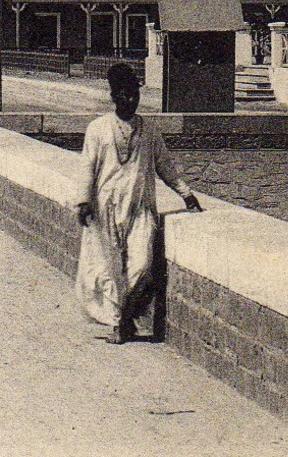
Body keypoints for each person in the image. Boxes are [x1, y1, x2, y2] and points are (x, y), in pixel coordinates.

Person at [74, 63, 202, 345]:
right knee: (107, 269)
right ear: (113, 97)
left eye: (134, 95)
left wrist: (186, 193)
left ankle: (123, 316)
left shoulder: (149, 131)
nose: (130, 101)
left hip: (140, 208)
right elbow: (87, 167)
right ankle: (119, 322)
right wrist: (83, 202)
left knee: (142, 263)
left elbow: (164, 166)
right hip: (105, 208)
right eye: (124, 95)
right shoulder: (97, 129)